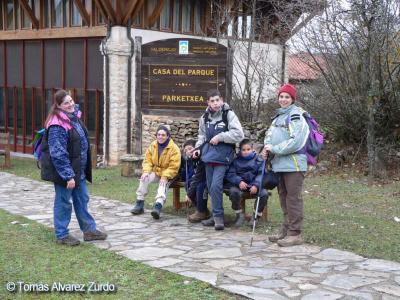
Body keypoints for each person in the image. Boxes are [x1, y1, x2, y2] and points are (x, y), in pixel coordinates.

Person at [40, 89, 107, 246]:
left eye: (71, 101)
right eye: (66, 103)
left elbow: (75, 109)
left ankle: (89, 230)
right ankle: (62, 235)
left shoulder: (72, 117)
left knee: (82, 199)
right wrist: (68, 176)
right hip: (66, 172)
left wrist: (78, 172)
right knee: (64, 202)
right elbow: (58, 153)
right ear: (58, 106)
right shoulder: (57, 125)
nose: (70, 104)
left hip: (78, 170)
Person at [262, 83, 309, 247]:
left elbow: (296, 141)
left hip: (294, 165)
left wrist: (274, 148)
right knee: (283, 197)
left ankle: (295, 233)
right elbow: (269, 135)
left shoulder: (296, 115)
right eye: (281, 96)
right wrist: (266, 148)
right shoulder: (278, 117)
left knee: (293, 198)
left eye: (287, 97)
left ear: (292, 99)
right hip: (280, 164)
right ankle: (286, 229)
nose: (283, 99)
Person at [191, 89, 244, 230]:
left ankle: (219, 219)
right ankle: (215, 217)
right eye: (212, 101)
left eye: (217, 100)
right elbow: (202, 137)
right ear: (207, 102)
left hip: (223, 156)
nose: (215, 103)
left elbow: (239, 134)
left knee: (215, 185)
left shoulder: (229, 114)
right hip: (208, 157)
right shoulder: (204, 117)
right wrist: (197, 150)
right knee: (210, 186)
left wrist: (220, 137)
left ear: (221, 100)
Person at [131, 125, 181, 219]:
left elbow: (174, 166)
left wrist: (165, 176)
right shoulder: (153, 145)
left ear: (168, 136)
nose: (160, 137)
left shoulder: (174, 148)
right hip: (157, 171)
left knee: (163, 184)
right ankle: (139, 203)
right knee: (144, 178)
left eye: (163, 135)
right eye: (158, 135)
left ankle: (158, 206)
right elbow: (147, 160)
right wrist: (146, 171)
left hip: (170, 174)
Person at [225, 139, 268, 228]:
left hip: (254, 185)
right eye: (243, 150)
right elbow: (231, 174)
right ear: (240, 151)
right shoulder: (235, 161)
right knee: (233, 192)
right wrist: (239, 181)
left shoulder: (259, 160)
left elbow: (261, 174)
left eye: (248, 149)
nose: (246, 152)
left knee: (264, 194)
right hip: (240, 185)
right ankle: (239, 214)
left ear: (252, 149)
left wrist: (256, 185)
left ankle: (256, 217)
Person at [180, 139, 209, 223]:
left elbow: (199, 176)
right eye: (186, 150)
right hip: (196, 179)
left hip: (205, 179)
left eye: (190, 149)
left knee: (200, 185)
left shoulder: (201, 158)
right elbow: (187, 175)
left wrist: (189, 194)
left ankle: (201, 211)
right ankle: (201, 208)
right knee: (188, 183)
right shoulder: (189, 160)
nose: (188, 152)